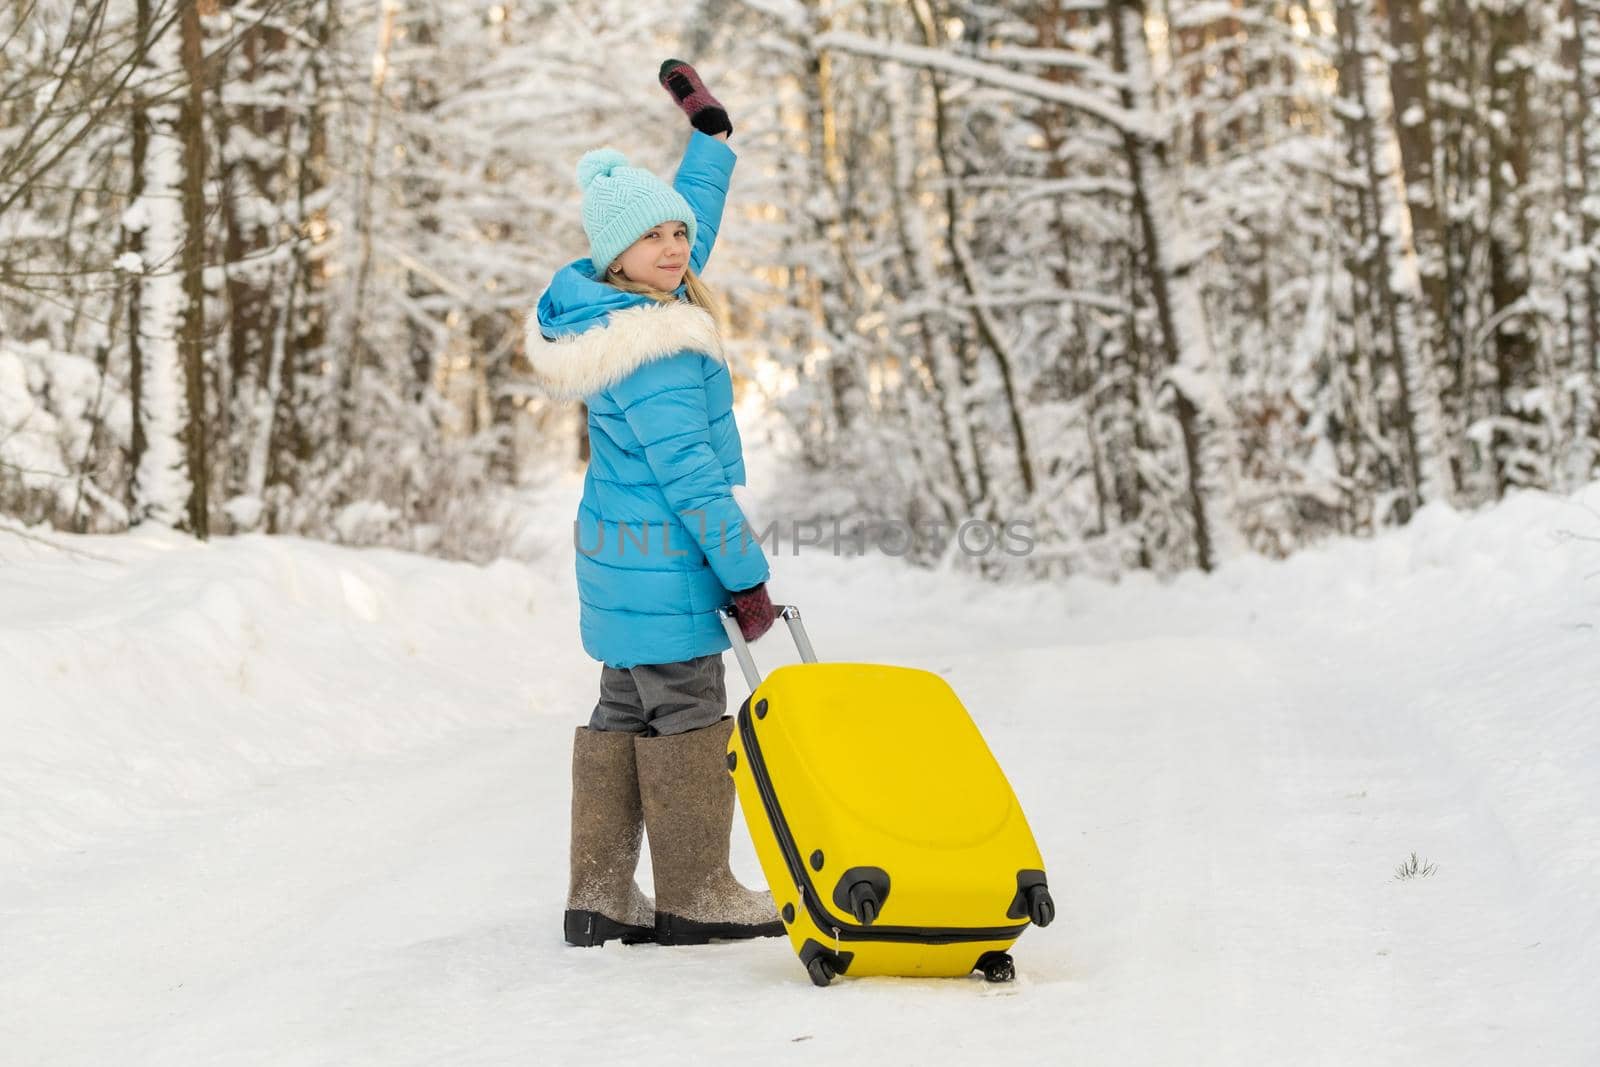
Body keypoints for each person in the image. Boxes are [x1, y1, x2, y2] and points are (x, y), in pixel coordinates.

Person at [525, 60, 783, 948]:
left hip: (615, 563)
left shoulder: (608, 310)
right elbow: (694, 484)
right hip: (667, 561)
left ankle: (599, 894)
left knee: (623, 710)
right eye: (659, 239)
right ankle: (697, 890)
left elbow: (680, 232)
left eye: (679, 232)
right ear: (619, 256)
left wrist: (707, 142)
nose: (677, 247)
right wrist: (746, 577)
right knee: (690, 712)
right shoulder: (662, 350)